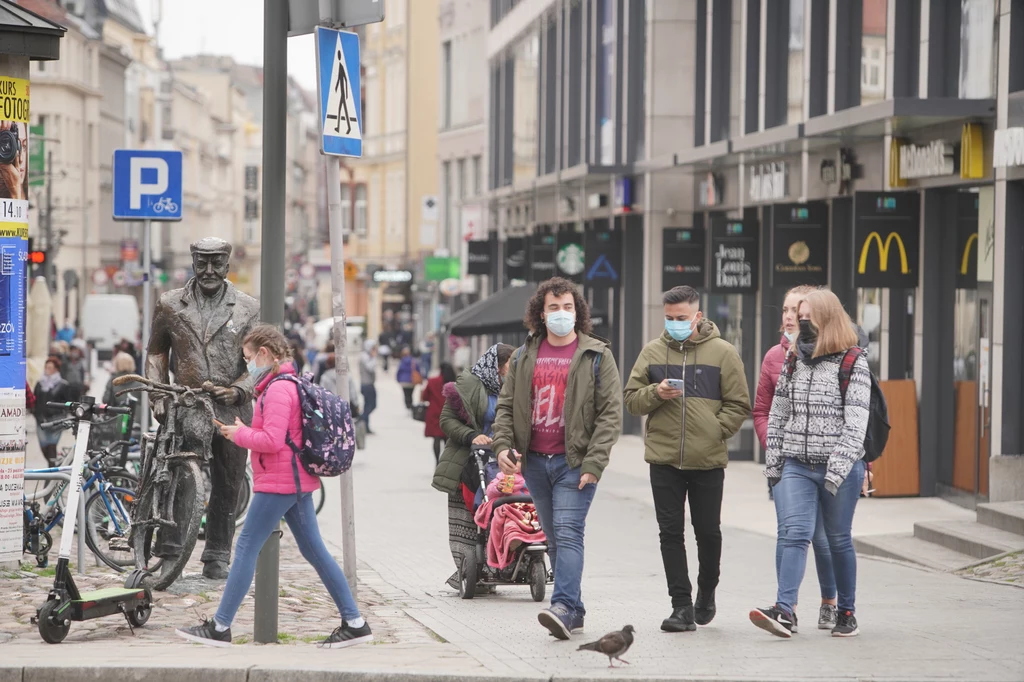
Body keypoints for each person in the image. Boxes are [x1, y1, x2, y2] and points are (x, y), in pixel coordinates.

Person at [177, 325, 372, 649]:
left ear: (265, 354)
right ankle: (355, 622)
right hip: (291, 481)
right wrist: (243, 429)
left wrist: (237, 435)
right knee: (314, 551)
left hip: (280, 482)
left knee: (245, 547)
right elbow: (277, 434)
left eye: (249, 357)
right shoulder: (282, 384)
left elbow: (271, 440)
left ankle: (220, 626)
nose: (248, 363)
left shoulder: (279, 389)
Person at [492, 277, 622, 641]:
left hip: (574, 463)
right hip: (534, 462)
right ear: (541, 313)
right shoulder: (523, 356)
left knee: (568, 533)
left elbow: (611, 414)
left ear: (577, 312)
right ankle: (574, 611)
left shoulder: (597, 355)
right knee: (552, 537)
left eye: (568, 307)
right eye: (554, 307)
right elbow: (505, 407)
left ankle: (562, 605)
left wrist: (595, 463)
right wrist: (502, 447)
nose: (561, 314)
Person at [623, 285, 750, 633]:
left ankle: (707, 591)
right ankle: (681, 606)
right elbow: (631, 400)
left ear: (697, 315)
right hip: (664, 460)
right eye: (668, 318)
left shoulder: (723, 353)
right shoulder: (651, 352)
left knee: (707, 532)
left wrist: (714, 430)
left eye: (681, 318)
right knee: (670, 533)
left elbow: (740, 404)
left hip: (707, 461)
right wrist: (656, 393)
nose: (674, 324)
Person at [750, 288, 870, 639]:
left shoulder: (852, 361)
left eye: (808, 318)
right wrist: (775, 465)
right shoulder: (792, 359)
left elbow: (856, 425)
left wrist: (835, 472)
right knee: (794, 534)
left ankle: (846, 611)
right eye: (798, 318)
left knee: (837, 540)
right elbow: (778, 413)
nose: (801, 324)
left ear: (828, 318)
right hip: (797, 465)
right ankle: (785, 611)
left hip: (840, 470)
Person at [147, 237, 260, 580]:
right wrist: (158, 396)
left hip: (232, 409)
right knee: (179, 480)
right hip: (186, 403)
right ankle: (171, 550)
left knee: (230, 481)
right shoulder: (169, 304)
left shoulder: (247, 307)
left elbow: (261, 362)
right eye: (202, 263)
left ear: (227, 266)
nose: (209, 270)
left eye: (216, 263)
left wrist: (240, 389)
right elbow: (156, 354)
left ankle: (217, 554)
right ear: (193, 263)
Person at [753, 285, 838, 632]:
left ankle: (831, 602)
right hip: (788, 462)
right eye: (786, 310)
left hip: (827, 462)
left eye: (796, 311)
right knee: (790, 532)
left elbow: (857, 415)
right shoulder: (776, 356)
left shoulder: (838, 354)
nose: (789, 317)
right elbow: (762, 410)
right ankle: (786, 607)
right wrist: (775, 449)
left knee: (822, 537)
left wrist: (866, 466)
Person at [432, 344, 515, 589]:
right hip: (470, 461)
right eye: (511, 364)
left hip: (503, 461)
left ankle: (501, 567)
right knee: (468, 520)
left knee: (505, 511)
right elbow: (446, 420)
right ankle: (469, 572)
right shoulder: (469, 385)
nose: (514, 369)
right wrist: (471, 436)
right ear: (498, 365)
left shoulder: (513, 387)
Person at [94, 352, 142, 447]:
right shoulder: (139, 381)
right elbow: (145, 404)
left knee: (118, 447)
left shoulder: (113, 381)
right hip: (137, 421)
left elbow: (106, 400)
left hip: (117, 422)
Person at [34, 357, 73, 466]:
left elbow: (67, 402)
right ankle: (54, 467)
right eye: (46, 367)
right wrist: (35, 413)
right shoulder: (39, 384)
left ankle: (50, 476)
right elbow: (35, 399)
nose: (47, 370)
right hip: (41, 420)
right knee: (43, 446)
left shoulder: (63, 384)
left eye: (50, 368)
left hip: (56, 421)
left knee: (51, 446)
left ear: (56, 369)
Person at [423, 362, 457, 464]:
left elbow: (425, 396)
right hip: (450, 413)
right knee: (447, 440)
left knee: (436, 438)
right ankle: (445, 461)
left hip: (434, 412)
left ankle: (437, 461)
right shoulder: (454, 383)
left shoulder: (432, 381)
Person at [359, 340, 379, 434]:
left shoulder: (368, 356)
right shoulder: (364, 356)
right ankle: (361, 420)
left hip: (370, 384)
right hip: (366, 385)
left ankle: (364, 423)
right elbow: (370, 368)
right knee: (369, 405)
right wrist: (374, 357)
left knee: (372, 405)